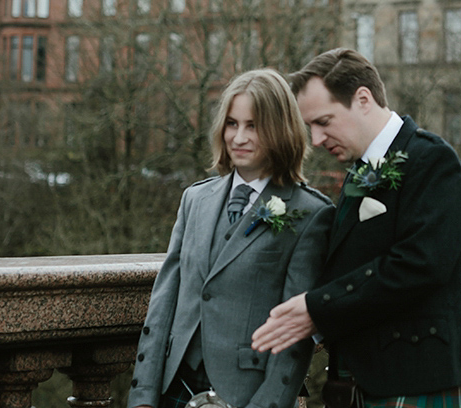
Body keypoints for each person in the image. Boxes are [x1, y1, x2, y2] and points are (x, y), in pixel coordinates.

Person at [251, 48, 461, 407]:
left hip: (415, 378)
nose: (317, 140)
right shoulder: (360, 170)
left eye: (324, 121)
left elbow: (420, 264)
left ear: (363, 99)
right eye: (311, 127)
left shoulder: (432, 160)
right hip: (358, 380)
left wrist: (317, 308)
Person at [127, 69, 334, 408]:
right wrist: (142, 397)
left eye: (253, 126)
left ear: (280, 130)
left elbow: (295, 336)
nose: (239, 137)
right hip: (173, 385)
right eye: (232, 124)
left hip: (246, 393)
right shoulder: (194, 200)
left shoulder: (310, 213)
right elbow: (163, 303)